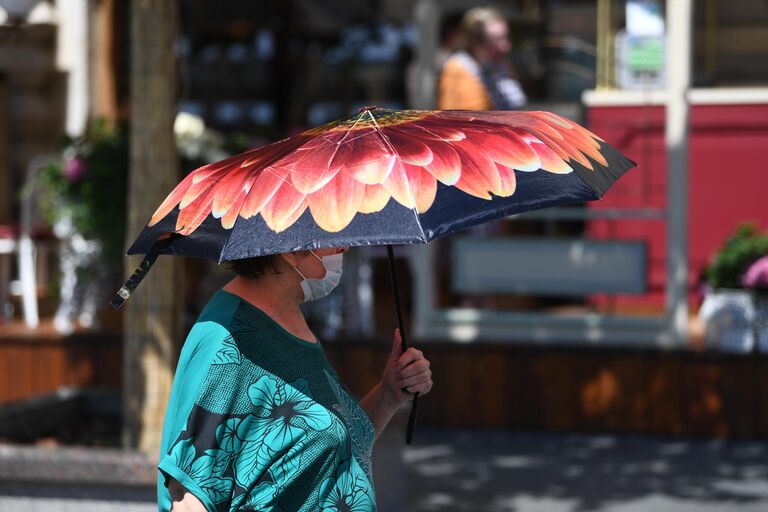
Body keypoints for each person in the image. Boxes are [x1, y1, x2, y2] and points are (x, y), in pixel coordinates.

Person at [157, 247, 433, 511]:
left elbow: (331, 445)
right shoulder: (228, 339)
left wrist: (389, 393)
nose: (345, 247)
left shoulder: (286, 318)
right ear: (291, 248)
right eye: (331, 232)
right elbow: (189, 498)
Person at [437, 7, 527, 110]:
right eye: (496, 40)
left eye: (506, 38)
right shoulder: (458, 68)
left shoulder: (502, 65)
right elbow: (455, 118)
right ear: (476, 42)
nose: (506, 46)